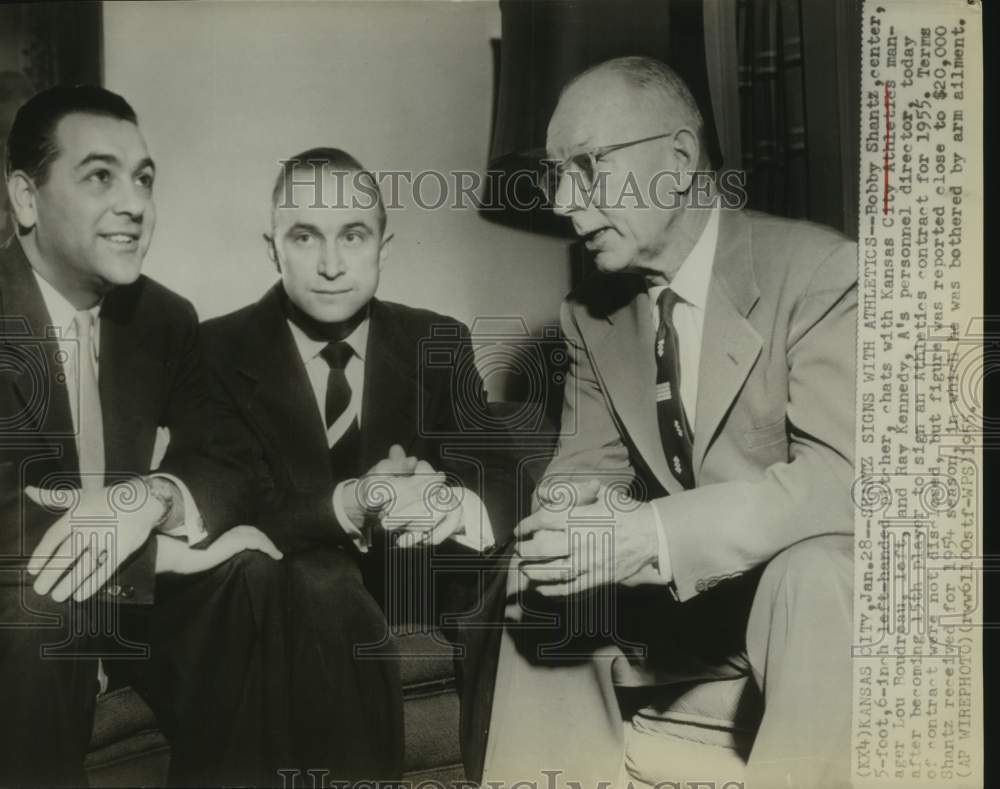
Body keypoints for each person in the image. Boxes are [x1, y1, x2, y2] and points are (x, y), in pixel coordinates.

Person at [481, 56, 857, 789]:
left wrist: (651, 535)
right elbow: (584, 468)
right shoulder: (592, 313)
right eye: (555, 173)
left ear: (679, 159)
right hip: (686, 617)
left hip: (805, 605)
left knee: (815, 570)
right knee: (544, 572)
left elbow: (842, 482)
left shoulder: (820, 273)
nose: (563, 202)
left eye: (585, 167)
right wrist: (564, 522)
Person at [0, 85, 284, 786]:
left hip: (129, 615)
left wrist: (151, 497)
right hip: (27, 610)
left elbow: (229, 453)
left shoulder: (162, 318)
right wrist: (153, 551)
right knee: (44, 606)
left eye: (144, 179)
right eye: (100, 176)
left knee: (251, 576)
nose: (135, 203)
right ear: (25, 199)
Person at [201, 147, 510, 782]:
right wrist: (356, 501)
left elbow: (498, 472)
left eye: (353, 235)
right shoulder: (215, 351)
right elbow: (230, 507)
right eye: (306, 237)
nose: (333, 265)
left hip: (418, 578)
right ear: (273, 249)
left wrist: (449, 502)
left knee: (518, 563)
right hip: (296, 597)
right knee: (321, 579)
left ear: (383, 248)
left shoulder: (438, 341)